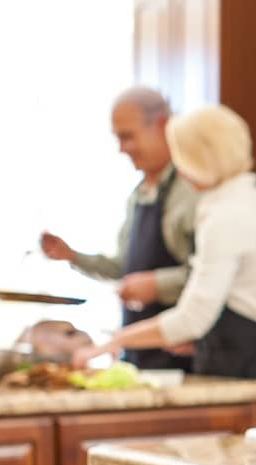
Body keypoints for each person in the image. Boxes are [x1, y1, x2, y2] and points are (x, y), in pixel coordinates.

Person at [71, 104, 256, 390]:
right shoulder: (250, 200)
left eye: (183, 156)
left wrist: (114, 341)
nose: (181, 167)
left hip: (249, 373)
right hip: (246, 366)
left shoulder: (227, 215)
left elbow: (193, 317)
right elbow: (245, 299)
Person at [41, 86, 198, 372]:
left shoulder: (191, 192)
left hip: (181, 362)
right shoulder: (138, 195)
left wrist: (156, 285)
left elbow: (205, 278)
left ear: (162, 125)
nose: (122, 148)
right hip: (141, 360)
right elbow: (123, 267)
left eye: (127, 136)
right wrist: (73, 257)